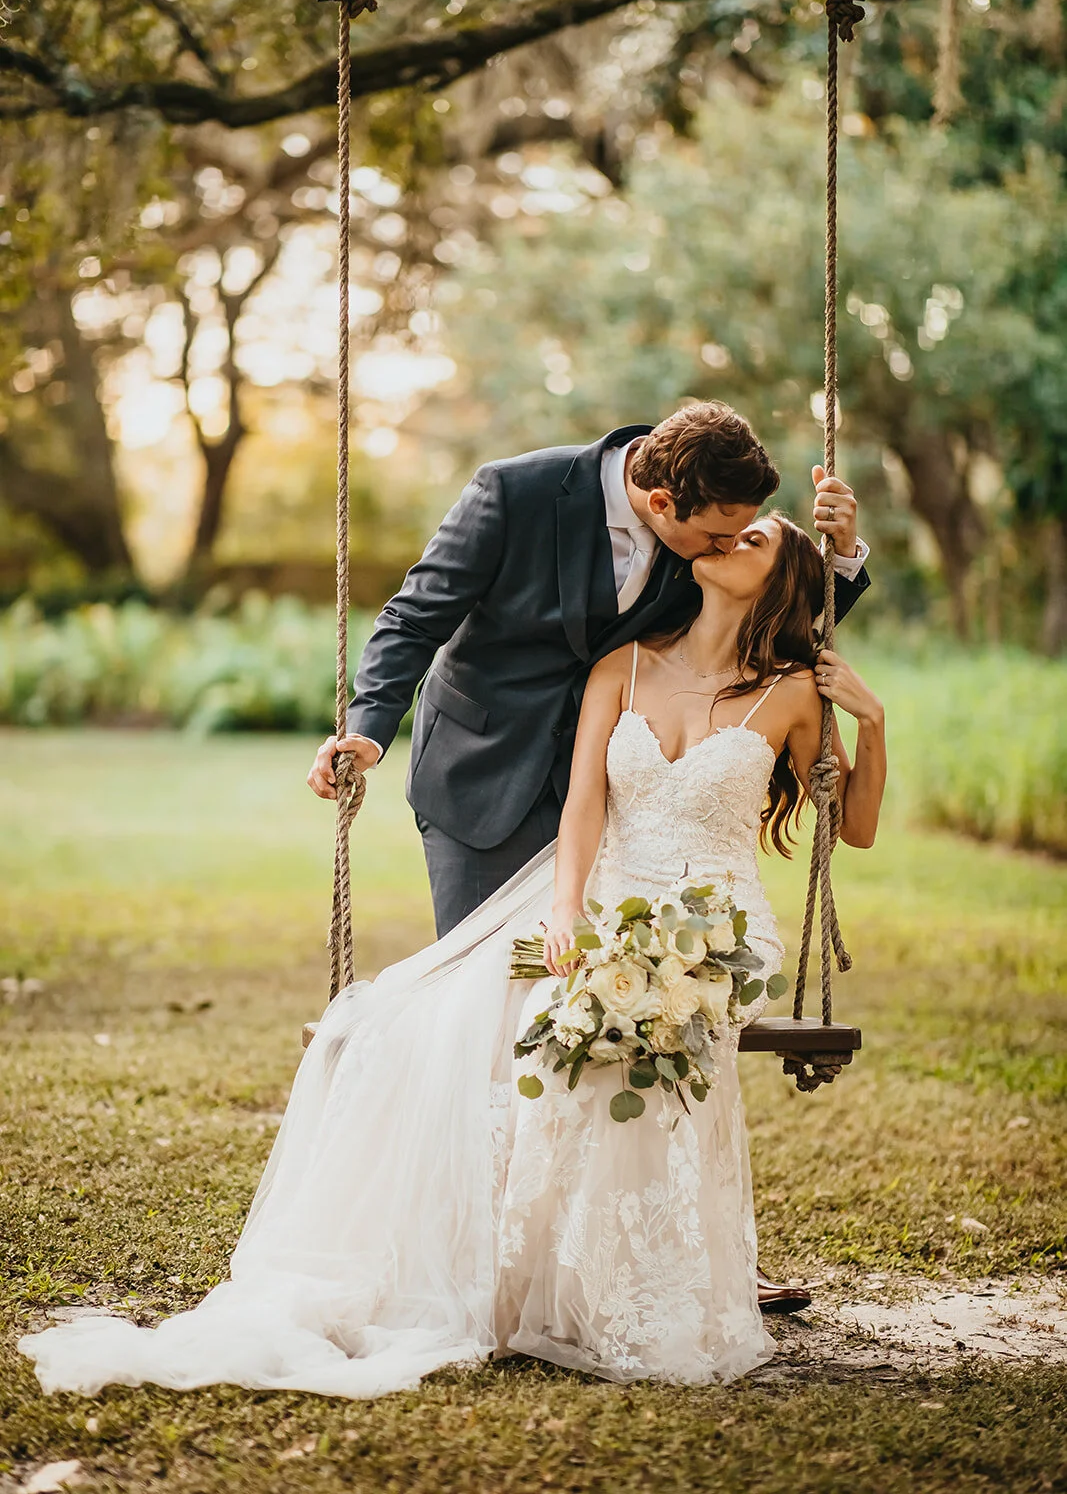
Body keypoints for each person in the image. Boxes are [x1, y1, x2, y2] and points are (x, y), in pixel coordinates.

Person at [19, 508, 886, 1398]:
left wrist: (873, 722)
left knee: (583, 1027)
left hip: (715, 928)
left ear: (780, 580)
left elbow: (849, 831)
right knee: (422, 1014)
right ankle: (493, 1267)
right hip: (592, 893)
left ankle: (615, 1279)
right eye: (731, 529)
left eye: (756, 540)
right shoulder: (621, 668)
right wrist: (563, 912)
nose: (731, 537)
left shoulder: (792, 692)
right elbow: (582, 806)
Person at [307, 398, 871, 1314]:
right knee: (494, 1016)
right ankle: (483, 1248)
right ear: (657, 502)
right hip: (483, 776)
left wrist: (840, 558)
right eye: (714, 538)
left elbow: (770, 616)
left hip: (626, 783)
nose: (723, 550)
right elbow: (415, 617)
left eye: (739, 535)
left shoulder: (707, 524)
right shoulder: (512, 494)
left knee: (655, 1005)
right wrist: (368, 732)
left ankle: (681, 1253)